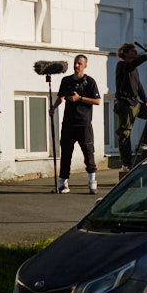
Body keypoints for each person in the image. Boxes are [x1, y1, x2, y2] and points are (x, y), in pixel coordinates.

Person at [53, 54, 101, 194]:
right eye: (75, 63)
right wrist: (53, 107)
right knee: (66, 153)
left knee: (88, 152)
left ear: (85, 65)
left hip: (83, 123)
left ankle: (92, 182)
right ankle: (63, 183)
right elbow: (61, 97)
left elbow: (97, 101)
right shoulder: (66, 80)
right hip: (68, 123)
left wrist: (79, 98)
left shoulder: (90, 82)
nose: (76, 65)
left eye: (79, 63)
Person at [113, 42, 147, 170]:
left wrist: (146, 100)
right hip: (125, 104)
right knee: (125, 134)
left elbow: (138, 85)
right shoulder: (122, 65)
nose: (135, 52)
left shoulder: (134, 68)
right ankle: (126, 163)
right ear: (125, 53)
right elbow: (131, 65)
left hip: (135, 103)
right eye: (132, 50)